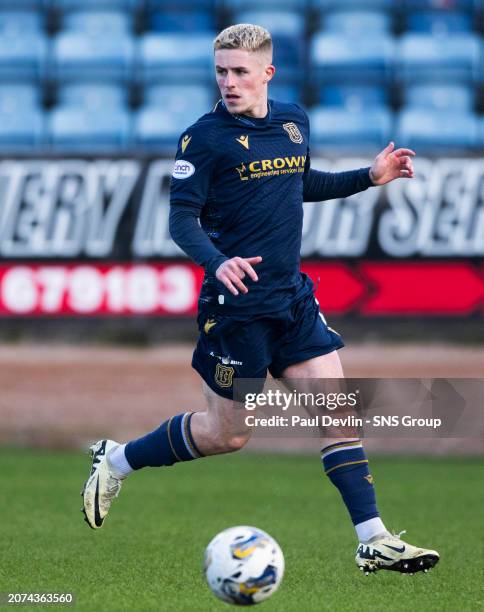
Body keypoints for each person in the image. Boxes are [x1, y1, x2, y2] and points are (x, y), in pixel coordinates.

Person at [82, 24, 439, 575]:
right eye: (221, 71)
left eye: (240, 72)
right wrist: (217, 262)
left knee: (337, 409)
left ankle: (374, 538)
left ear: (267, 73)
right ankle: (119, 459)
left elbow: (300, 182)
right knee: (228, 435)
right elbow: (181, 218)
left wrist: (368, 177)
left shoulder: (294, 121)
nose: (229, 82)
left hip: (291, 299)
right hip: (236, 308)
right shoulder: (202, 138)